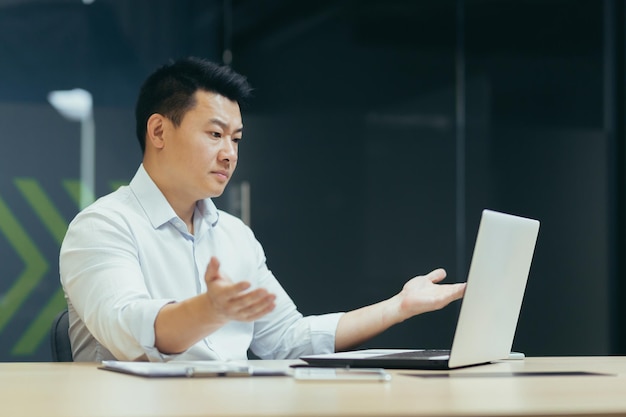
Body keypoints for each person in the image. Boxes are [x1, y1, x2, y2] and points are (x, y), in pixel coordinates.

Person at [60, 57, 466, 362]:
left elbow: (288, 339)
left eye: (236, 139)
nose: (229, 154)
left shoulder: (234, 235)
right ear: (159, 131)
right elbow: (129, 332)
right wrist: (209, 310)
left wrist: (399, 306)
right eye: (215, 134)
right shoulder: (102, 227)